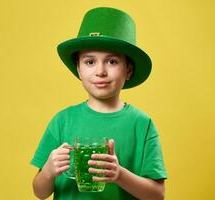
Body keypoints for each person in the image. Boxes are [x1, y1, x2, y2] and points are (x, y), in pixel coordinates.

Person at [31, 7, 167, 200]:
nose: (100, 71)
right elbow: (39, 192)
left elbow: (157, 195)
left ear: (128, 70)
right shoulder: (62, 120)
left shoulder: (142, 124)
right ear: (78, 69)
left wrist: (119, 174)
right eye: (89, 62)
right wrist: (48, 171)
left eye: (112, 62)